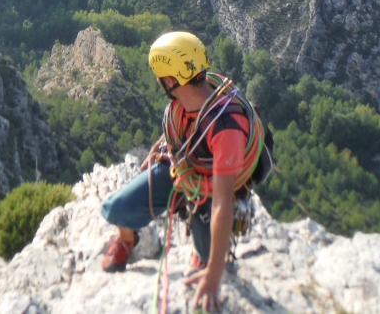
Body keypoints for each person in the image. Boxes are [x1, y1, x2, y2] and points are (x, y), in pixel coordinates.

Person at [98, 32, 268, 313]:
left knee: (207, 253)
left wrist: (213, 275)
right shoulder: (192, 97)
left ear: (169, 81)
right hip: (181, 166)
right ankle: (128, 239)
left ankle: (208, 251)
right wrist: (160, 145)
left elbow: (222, 202)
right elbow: (184, 122)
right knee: (116, 209)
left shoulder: (226, 127)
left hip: (210, 187)